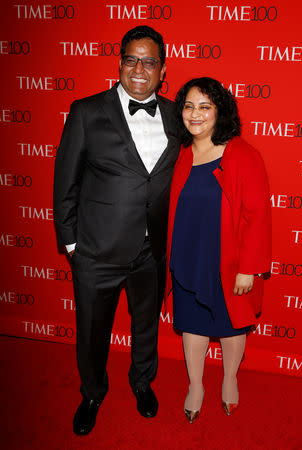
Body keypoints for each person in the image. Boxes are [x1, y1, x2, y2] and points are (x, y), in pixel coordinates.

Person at [53, 26, 180, 435]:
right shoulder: (86, 111)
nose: (139, 68)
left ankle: (142, 381)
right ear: (120, 62)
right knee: (92, 331)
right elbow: (65, 183)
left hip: (151, 251)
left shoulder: (178, 115)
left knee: (146, 326)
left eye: (149, 61)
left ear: (163, 69)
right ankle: (92, 391)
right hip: (96, 252)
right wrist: (72, 244)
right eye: (131, 59)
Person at [165, 77, 271, 423]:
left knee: (230, 327)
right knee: (193, 325)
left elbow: (257, 215)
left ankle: (229, 380)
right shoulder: (181, 154)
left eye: (205, 106)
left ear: (220, 111)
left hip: (228, 262)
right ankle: (196, 385)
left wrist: (248, 268)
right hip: (186, 257)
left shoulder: (242, 154)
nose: (195, 114)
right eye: (189, 106)